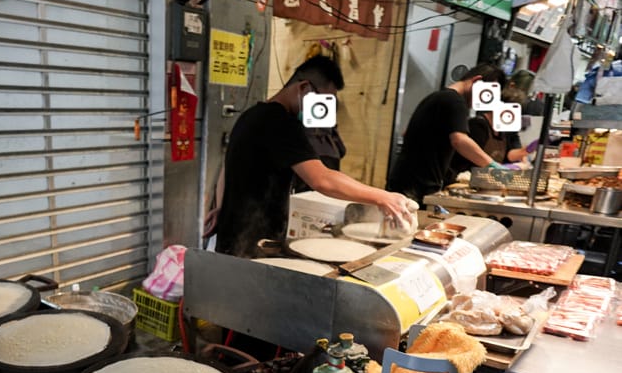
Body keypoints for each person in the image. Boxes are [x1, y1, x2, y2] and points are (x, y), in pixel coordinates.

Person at [213, 55, 415, 258]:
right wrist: (383, 197)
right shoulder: (280, 122)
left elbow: (225, 167)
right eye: (323, 100)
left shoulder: (251, 114)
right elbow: (322, 179)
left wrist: (221, 208)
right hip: (254, 246)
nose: (323, 108)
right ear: (304, 88)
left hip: (231, 238)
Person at [387, 63, 506, 207]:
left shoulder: (437, 97)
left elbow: (407, 132)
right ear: (477, 81)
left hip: (404, 183)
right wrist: (492, 166)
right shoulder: (455, 101)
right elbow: (460, 140)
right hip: (415, 190)